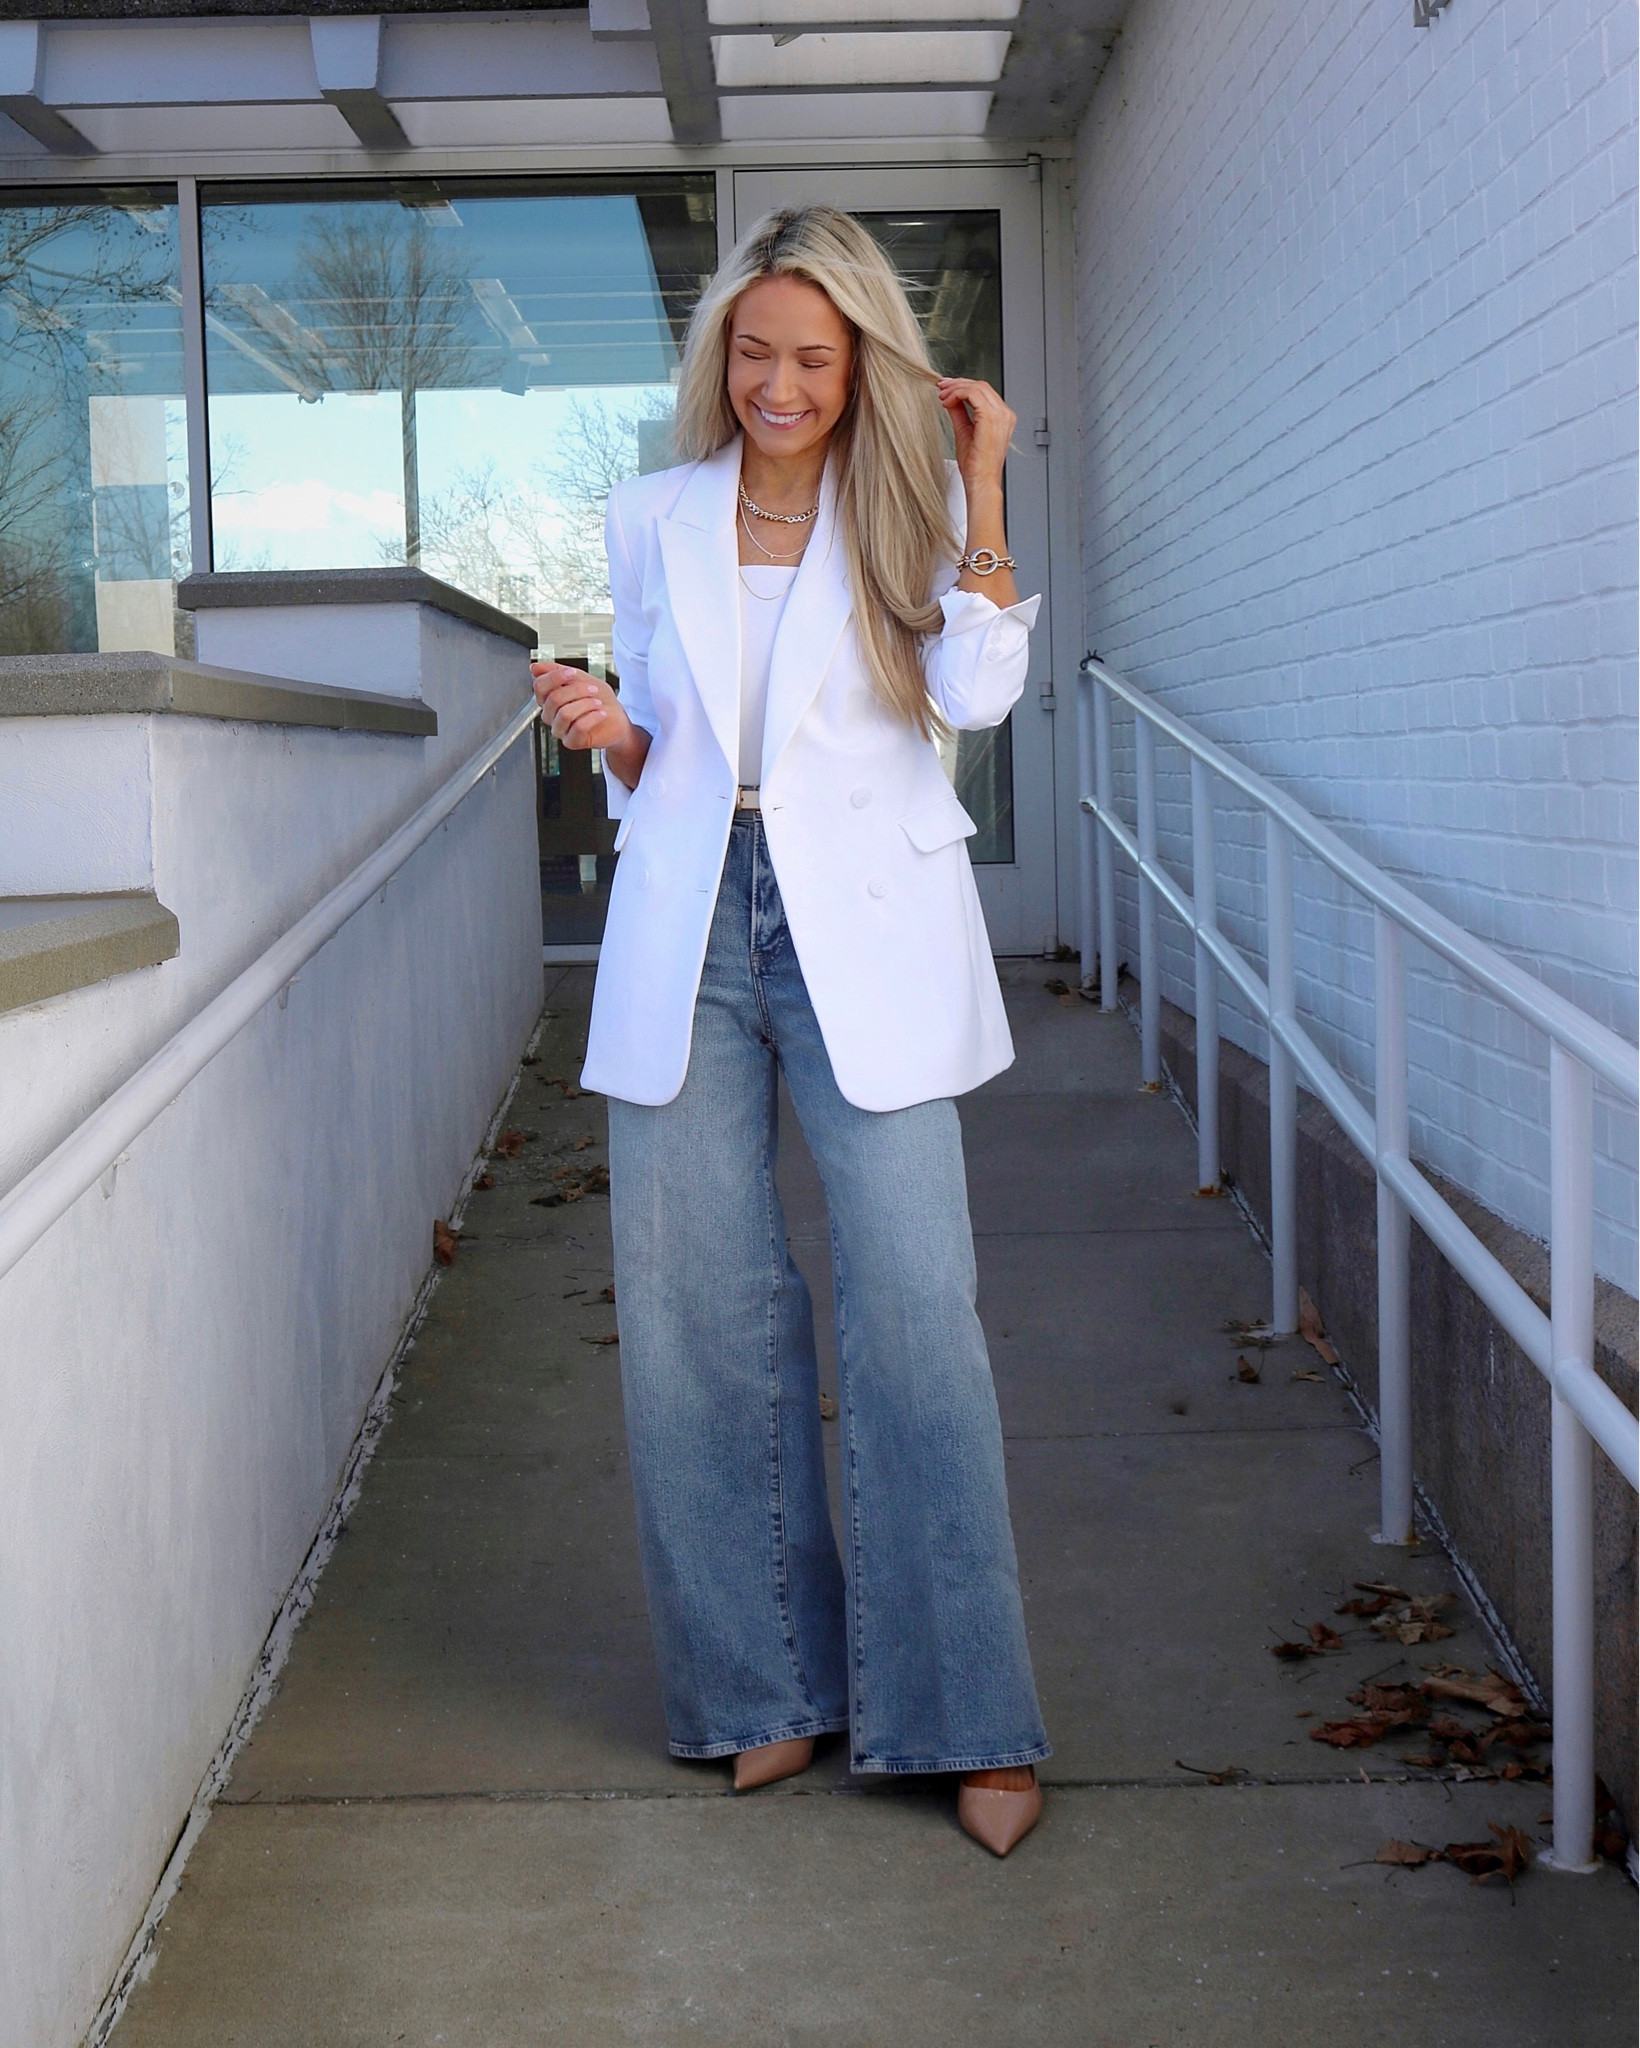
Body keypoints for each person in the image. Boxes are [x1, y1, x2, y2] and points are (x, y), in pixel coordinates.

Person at [531, 205, 1048, 1856]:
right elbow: (670, 757)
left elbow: (975, 701)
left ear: (860, 364)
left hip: (868, 931)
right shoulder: (653, 513)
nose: (779, 382)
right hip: (692, 920)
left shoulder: (901, 506)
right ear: (720, 359)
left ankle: (966, 1717)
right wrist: (615, 735)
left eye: (813, 357)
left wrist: (983, 490)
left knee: (917, 1318)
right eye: (754, 352)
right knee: (696, 1317)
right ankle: (762, 1693)